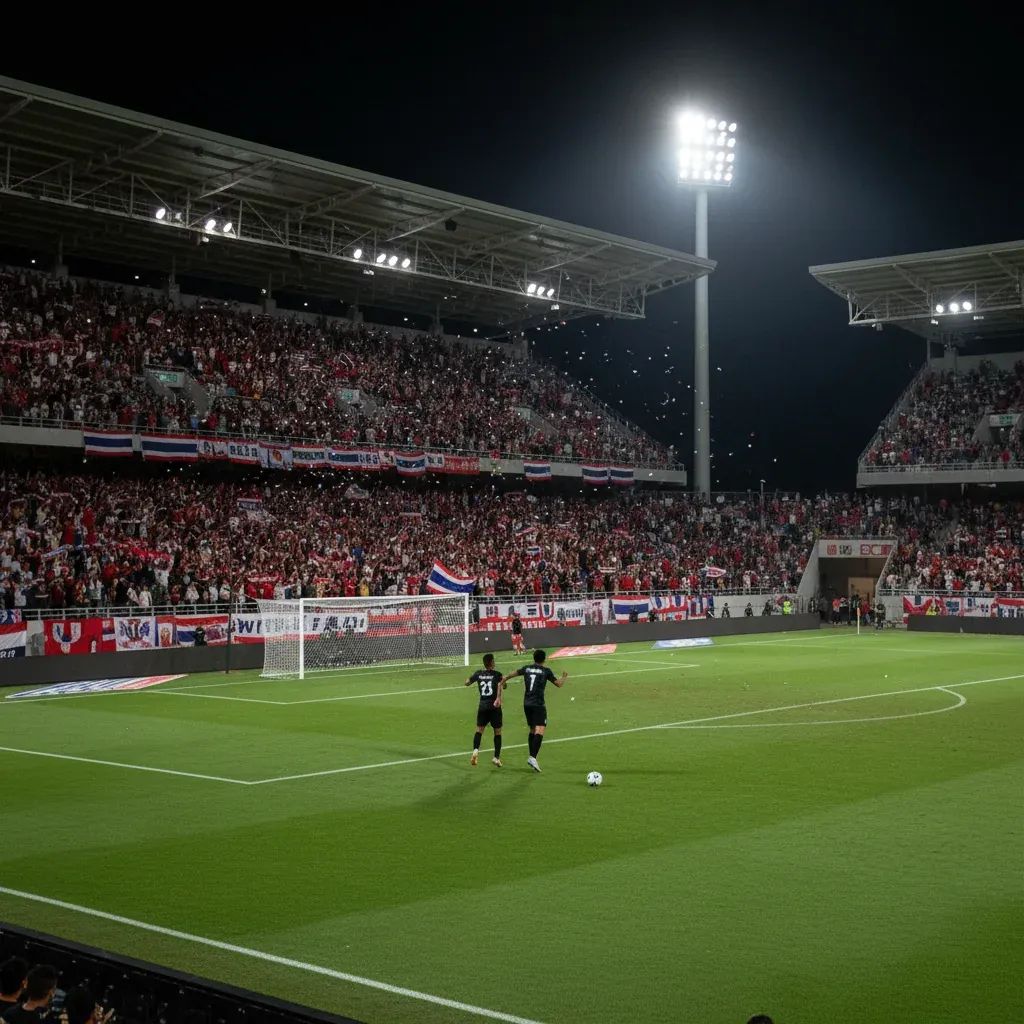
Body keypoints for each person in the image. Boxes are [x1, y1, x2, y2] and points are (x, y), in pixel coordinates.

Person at [503, 649, 567, 773]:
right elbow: (558, 684)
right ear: (544, 659)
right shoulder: (545, 671)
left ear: (534, 658)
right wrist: (564, 677)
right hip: (538, 704)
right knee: (540, 729)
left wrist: (504, 679)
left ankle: (532, 756)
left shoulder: (527, 668)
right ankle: (532, 757)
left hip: (526, 703)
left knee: (532, 729)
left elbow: (513, 673)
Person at [466, 653, 504, 767]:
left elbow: (467, 682)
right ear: (492, 662)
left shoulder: (479, 673)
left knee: (479, 730)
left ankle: (475, 751)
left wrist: (471, 679)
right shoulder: (497, 674)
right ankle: (496, 758)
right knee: (497, 732)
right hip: (494, 706)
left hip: (482, 706)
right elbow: (504, 685)